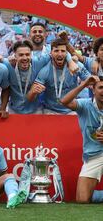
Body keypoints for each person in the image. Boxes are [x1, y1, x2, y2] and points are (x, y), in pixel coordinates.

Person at [60, 75, 103, 203]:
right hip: (94, 155)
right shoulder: (85, 105)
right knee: (82, 199)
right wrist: (83, 85)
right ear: (93, 90)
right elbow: (64, 102)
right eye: (100, 87)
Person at [27, 38, 91, 114]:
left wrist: (87, 82)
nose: (60, 54)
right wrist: (33, 92)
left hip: (71, 110)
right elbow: (30, 98)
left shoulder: (76, 66)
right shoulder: (44, 71)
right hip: (50, 111)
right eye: (56, 51)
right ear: (51, 53)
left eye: (63, 51)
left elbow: (92, 81)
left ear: (67, 53)